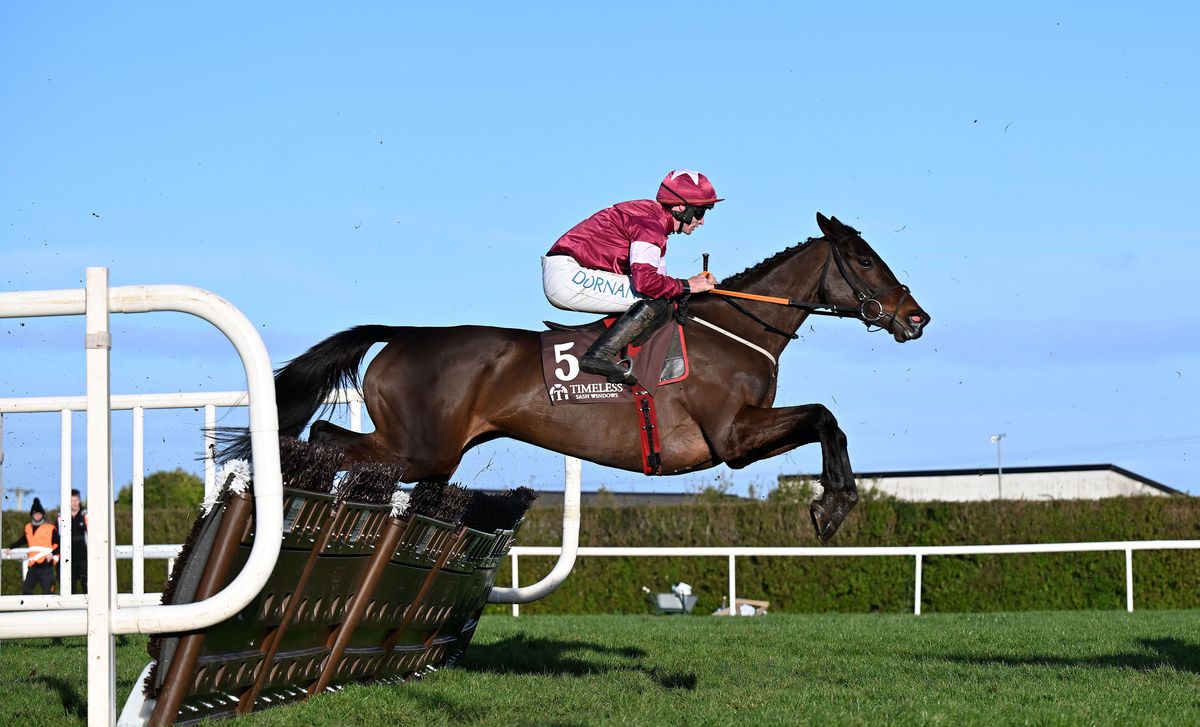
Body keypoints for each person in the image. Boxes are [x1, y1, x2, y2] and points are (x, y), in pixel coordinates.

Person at [542, 169, 722, 385]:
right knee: (655, 300)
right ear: (681, 207)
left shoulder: (653, 219)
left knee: (662, 299)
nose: (701, 222)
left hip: (570, 271)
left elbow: (660, 282)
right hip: (569, 276)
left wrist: (684, 288)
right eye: (701, 212)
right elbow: (647, 284)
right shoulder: (650, 224)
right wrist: (687, 285)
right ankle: (598, 356)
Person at [3, 497, 60, 595]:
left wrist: (52, 554)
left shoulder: (50, 528)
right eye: (35, 513)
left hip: (46, 565)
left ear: (42, 514)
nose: (37, 516)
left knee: (48, 593)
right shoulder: (28, 527)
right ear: (32, 514)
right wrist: (11, 547)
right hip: (33, 566)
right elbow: (22, 540)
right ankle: (31, 610)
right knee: (26, 590)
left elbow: (61, 544)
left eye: (39, 513)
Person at [69, 488, 89, 593]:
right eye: (72, 500)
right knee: (71, 587)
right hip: (70, 557)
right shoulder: (63, 516)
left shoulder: (85, 515)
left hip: (84, 557)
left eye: (76, 500)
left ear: (80, 500)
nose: (74, 503)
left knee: (85, 584)